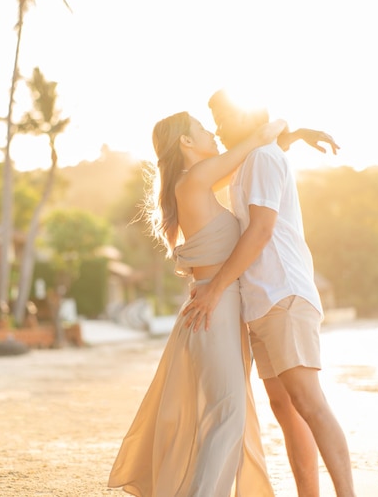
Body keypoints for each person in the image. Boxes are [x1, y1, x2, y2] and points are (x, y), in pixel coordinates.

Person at [182, 90, 356, 497]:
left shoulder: (260, 159)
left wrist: (215, 290)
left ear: (249, 116)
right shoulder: (253, 157)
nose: (220, 128)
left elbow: (260, 231)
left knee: (309, 403)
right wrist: (295, 134)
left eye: (223, 118)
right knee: (287, 410)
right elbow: (274, 137)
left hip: (284, 296)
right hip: (261, 302)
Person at [108, 111, 287, 497]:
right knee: (228, 415)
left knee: (227, 415)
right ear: (186, 143)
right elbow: (258, 137)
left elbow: (251, 159)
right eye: (204, 129)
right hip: (215, 309)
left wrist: (290, 140)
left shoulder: (196, 183)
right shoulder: (193, 180)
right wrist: (283, 124)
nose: (213, 133)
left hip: (219, 306)